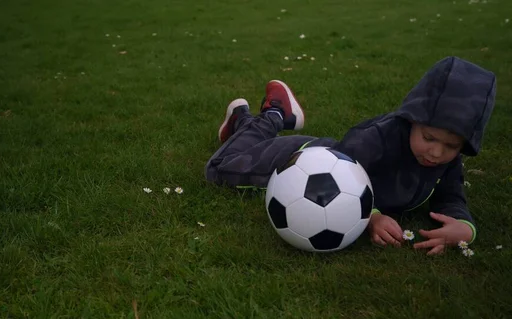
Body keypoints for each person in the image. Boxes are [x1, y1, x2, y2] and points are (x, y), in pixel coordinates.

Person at [205, 56, 496, 255]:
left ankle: (243, 121)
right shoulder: (379, 137)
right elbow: (340, 178)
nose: (436, 151)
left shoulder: (446, 160)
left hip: (318, 161)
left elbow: (451, 196)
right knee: (219, 170)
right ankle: (276, 114)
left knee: (236, 152)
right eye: (429, 138)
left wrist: (463, 228)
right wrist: (372, 216)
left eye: (451, 146)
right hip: (302, 162)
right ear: (413, 119)